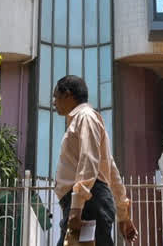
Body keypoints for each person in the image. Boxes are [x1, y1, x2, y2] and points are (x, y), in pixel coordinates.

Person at [52, 75, 137, 246]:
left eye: (56, 96)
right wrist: (123, 215)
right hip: (90, 201)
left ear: (67, 94)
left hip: (87, 204)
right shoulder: (87, 119)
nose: (54, 102)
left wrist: (77, 207)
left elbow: (88, 160)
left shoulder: (85, 117)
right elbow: (111, 171)